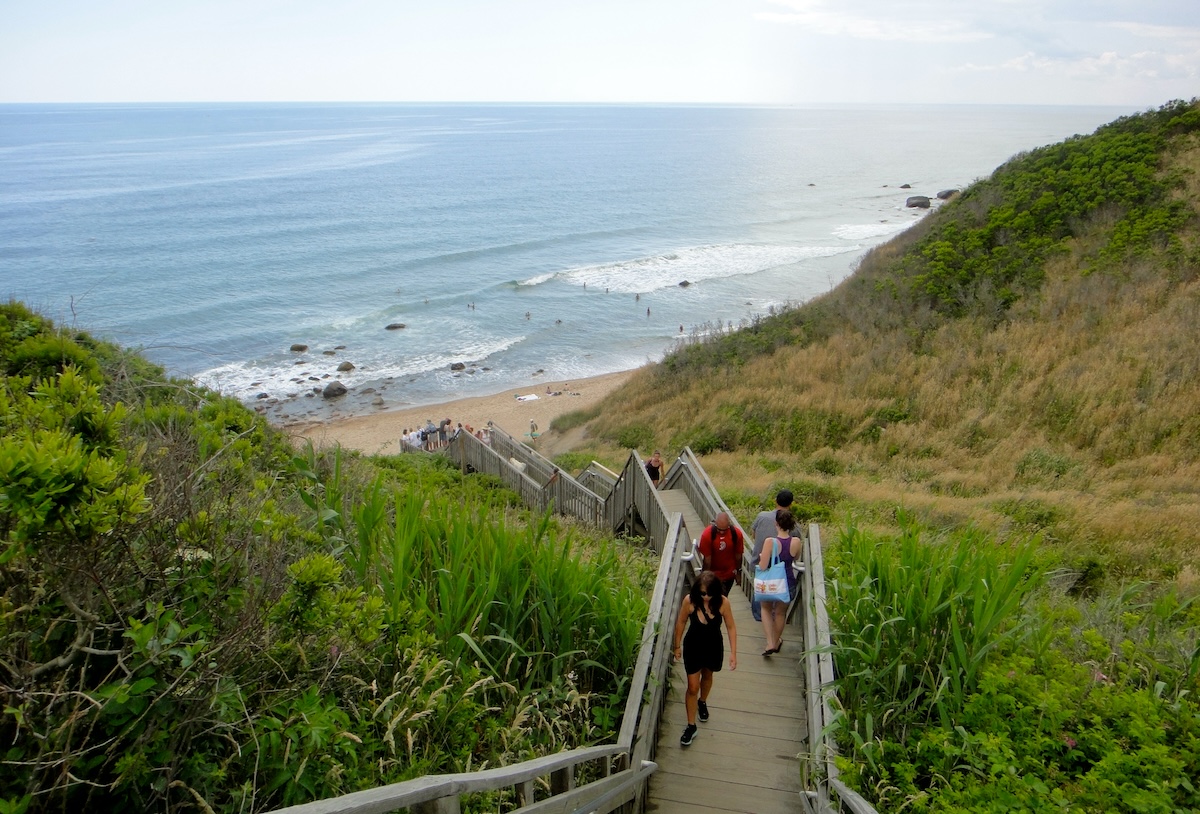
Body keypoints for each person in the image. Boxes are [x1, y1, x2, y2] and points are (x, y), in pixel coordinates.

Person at [673, 570, 737, 747]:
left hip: (713, 646)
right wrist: (677, 646)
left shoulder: (723, 603)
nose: (706, 597)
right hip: (693, 646)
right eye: (702, 593)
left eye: (710, 593)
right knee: (692, 686)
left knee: (708, 677)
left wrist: (733, 653)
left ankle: (703, 702)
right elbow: (681, 622)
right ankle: (691, 725)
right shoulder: (690, 601)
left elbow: (731, 627)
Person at [758, 509, 802, 657]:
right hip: (788, 581)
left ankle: (770, 643)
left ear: (776, 523)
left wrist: (761, 556)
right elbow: (795, 559)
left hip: (771, 583)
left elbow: (763, 566)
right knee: (780, 613)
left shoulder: (770, 542)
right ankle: (776, 642)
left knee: (765, 609)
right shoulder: (796, 541)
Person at [750, 489, 794, 622]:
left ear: (776, 500)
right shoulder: (793, 525)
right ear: (791, 504)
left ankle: (760, 621)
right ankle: (773, 627)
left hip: (760, 564)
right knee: (777, 605)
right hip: (781, 572)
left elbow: (753, 534)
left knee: (761, 595)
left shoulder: (762, 516)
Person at [697, 512, 744, 596]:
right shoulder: (707, 535)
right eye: (719, 530)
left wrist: (738, 573)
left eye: (724, 530)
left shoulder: (736, 534)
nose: (722, 532)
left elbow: (738, 556)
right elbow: (707, 560)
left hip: (729, 574)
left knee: (723, 597)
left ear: (729, 525)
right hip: (712, 575)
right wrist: (704, 578)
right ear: (714, 523)